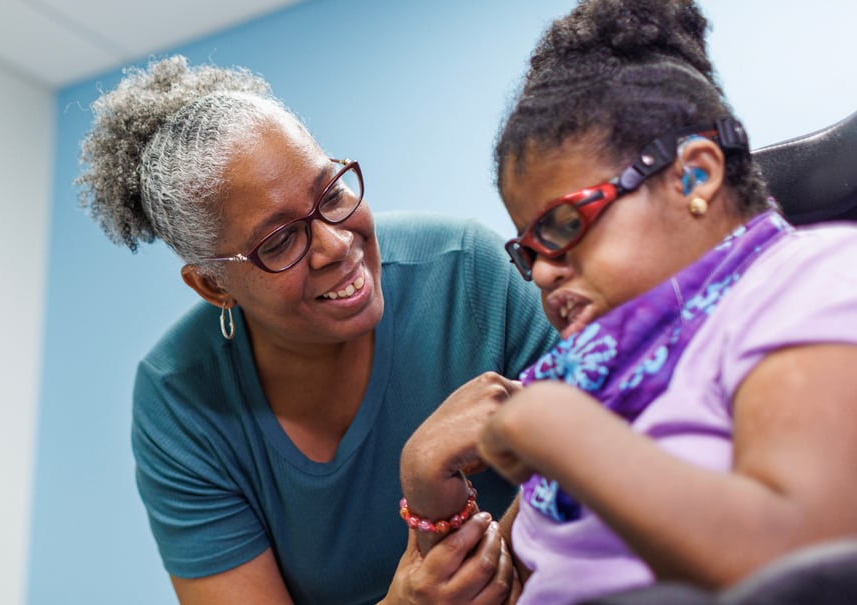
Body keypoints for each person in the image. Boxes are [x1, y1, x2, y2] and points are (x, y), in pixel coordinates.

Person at [398, 0, 857, 603]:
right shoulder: (597, 376)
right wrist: (428, 487)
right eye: (528, 252)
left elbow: (810, 567)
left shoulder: (813, 280)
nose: (543, 272)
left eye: (563, 224)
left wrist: (560, 432)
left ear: (693, 177)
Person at [75, 55, 559, 604]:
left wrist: (442, 505)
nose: (336, 245)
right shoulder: (179, 400)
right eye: (279, 241)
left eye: (331, 194)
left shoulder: (467, 273)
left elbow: (614, 451)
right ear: (214, 287)